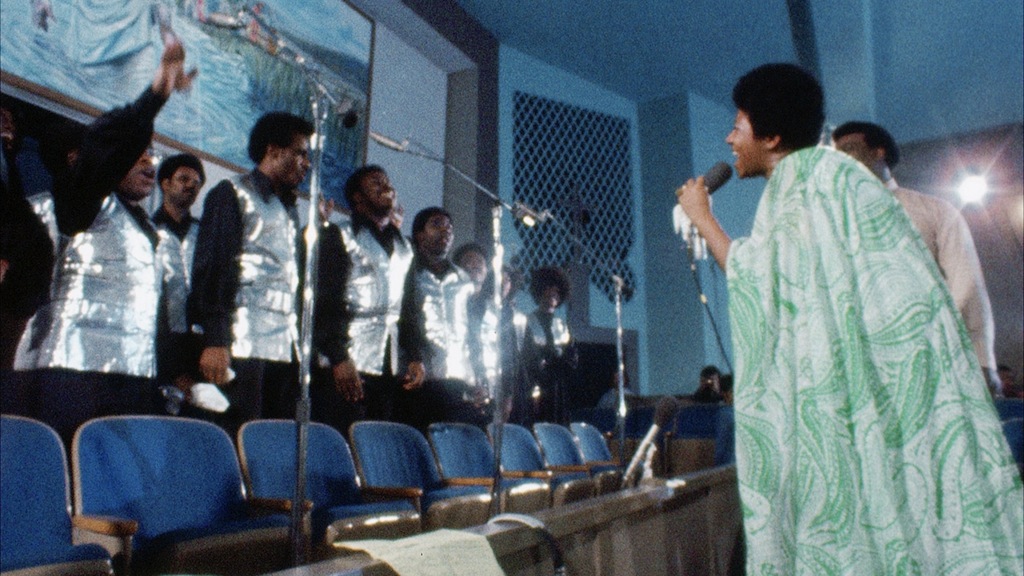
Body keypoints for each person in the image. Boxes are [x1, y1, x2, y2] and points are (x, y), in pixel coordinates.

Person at [675, 63, 1022, 574]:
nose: (729, 139)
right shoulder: (832, 179)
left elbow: (761, 282)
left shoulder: (805, 184)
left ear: (770, 136)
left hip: (848, 398)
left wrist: (703, 219)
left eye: (737, 126)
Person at [11, 40, 196, 446]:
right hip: (69, 372)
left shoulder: (146, 228)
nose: (149, 162)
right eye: (137, 154)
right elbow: (103, 148)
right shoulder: (80, 202)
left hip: (133, 377)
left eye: (152, 154)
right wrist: (155, 95)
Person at [832, 121, 999, 393]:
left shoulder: (934, 211)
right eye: (836, 153)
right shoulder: (833, 223)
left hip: (934, 364)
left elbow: (967, 286)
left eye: (849, 148)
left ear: (879, 152)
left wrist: (982, 361)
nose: (841, 159)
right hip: (862, 371)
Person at [188, 112, 311, 435]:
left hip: (283, 346)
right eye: (300, 153)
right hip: (242, 343)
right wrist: (215, 340)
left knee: (273, 438)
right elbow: (212, 268)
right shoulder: (231, 192)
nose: (307, 164)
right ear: (273, 151)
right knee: (238, 434)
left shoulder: (288, 207)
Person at [312, 165, 422, 435]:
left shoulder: (406, 246)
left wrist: (415, 356)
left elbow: (410, 308)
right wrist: (339, 357)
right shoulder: (338, 234)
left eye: (388, 182)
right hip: (347, 359)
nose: (387, 187)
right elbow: (326, 302)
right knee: (343, 436)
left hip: (389, 363)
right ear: (358, 198)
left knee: (378, 439)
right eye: (376, 183)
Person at [397, 208, 486, 431]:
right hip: (420, 377)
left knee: (454, 442)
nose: (445, 231)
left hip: (458, 378)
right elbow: (404, 319)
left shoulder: (463, 279)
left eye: (449, 228)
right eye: (437, 224)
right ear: (420, 235)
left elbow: (473, 331)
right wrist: (413, 356)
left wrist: (479, 373)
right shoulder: (408, 272)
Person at [152, 153, 205, 413]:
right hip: (161, 345)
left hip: (201, 347)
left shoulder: (204, 233)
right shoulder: (148, 230)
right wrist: (172, 369)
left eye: (197, 183)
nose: (191, 186)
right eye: (183, 179)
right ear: (165, 183)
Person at [522, 265, 575, 424]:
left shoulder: (563, 326)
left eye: (557, 292)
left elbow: (571, 360)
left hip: (559, 392)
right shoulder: (528, 323)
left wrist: (555, 362)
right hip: (536, 389)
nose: (553, 295)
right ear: (539, 291)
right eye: (548, 290)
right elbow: (530, 360)